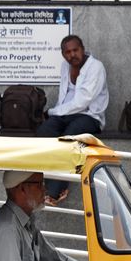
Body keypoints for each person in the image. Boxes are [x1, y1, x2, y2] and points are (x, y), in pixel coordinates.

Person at [36, 35, 109, 205]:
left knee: (70, 139)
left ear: (82, 49)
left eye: (75, 50)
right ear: (63, 54)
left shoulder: (95, 67)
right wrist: (54, 115)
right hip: (65, 114)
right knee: (43, 132)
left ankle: (56, 190)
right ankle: (45, 183)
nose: (72, 55)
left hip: (90, 116)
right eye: (67, 52)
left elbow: (83, 102)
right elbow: (64, 97)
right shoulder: (65, 66)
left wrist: (52, 112)